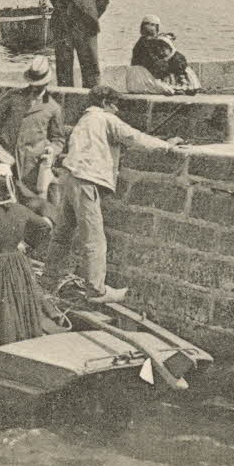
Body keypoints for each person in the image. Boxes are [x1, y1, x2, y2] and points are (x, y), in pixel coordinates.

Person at [53, 85, 185, 303]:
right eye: (115, 105)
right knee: (94, 239)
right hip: (86, 181)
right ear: (105, 103)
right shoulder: (105, 119)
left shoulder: (84, 120)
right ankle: (96, 290)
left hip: (69, 176)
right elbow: (134, 137)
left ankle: (50, 278)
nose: (117, 110)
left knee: (62, 234)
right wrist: (166, 146)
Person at [0, 163, 52, 345]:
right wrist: (28, 246)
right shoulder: (21, 210)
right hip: (17, 262)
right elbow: (45, 225)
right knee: (17, 304)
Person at [0, 55, 67, 208]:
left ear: (46, 82)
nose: (35, 88)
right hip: (5, 161)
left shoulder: (53, 108)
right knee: (1, 203)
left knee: (28, 206)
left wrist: (52, 150)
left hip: (30, 167)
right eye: (33, 84)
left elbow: (58, 139)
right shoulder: (13, 98)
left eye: (39, 85)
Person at [127, 16, 201, 95]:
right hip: (142, 79)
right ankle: (183, 85)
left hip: (134, 80)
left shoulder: (143, 42)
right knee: (176, 61)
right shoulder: (147, 44)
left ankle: (181, 85)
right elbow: (155, 64)